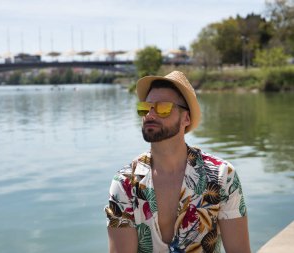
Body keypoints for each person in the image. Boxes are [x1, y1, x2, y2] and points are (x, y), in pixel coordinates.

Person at [104, 71, 251, 253]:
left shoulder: (221, 176)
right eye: (145, 107)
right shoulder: (126, 183)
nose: (150, 114)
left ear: (186, 118)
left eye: (163, 108)